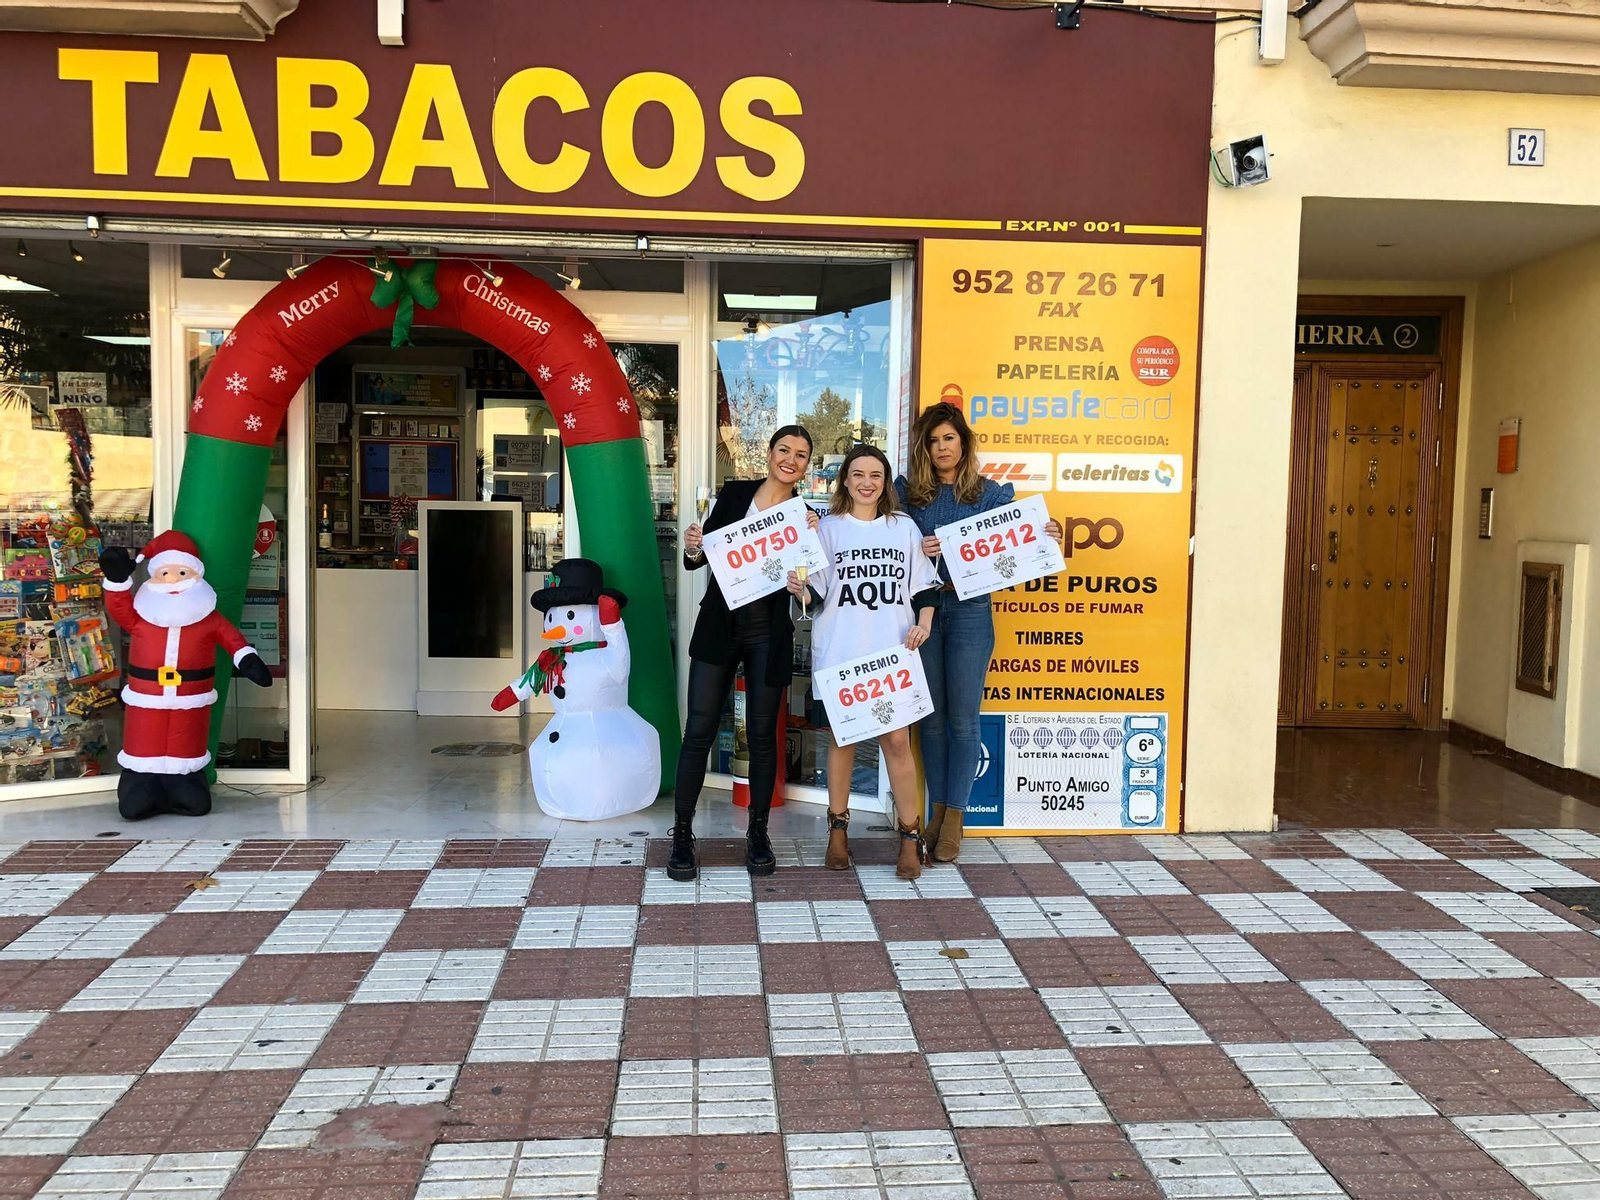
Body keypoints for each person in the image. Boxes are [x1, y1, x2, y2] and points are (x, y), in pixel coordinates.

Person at [895, 402, 1063, 862]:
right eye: (932, 440)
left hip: (970, 610)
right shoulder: (907, 494)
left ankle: (954, 817)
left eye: (948, 438)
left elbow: (1020, 545)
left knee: (964, 719)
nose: (941, 447)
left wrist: (1047, 533)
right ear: (923, 448)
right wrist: (916, 548)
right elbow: (877, 533)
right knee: (930, 719)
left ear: (963, 443)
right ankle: (933, 814)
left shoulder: (989, 493)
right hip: (923, 611)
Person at [672, 426, 818, 880]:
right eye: (783, 450)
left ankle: (757, 833)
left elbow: (810, 589)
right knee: (698, 731)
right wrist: (693, 548)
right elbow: (700, 557)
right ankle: (681, 835)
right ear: (770, 453)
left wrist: (803, 587)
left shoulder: (805, 516)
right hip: (720, 623)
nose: (790, 460)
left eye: (800, 455)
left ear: (807, 466)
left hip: (768, 633)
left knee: (761, 736)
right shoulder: (734, 494)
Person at [791, 443, 940, 879]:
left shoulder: (904, 528)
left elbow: (925, 589)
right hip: (842, 652)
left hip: (893, 654)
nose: (866, 482)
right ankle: (838, 833)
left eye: (875, 474)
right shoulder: (828, 529)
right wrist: (797, 588)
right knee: (842, 741)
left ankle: (910, 839)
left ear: (885, 481)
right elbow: (814, 592)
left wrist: (925, 624)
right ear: (845, 481)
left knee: (896, 743)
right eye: (858, 474)